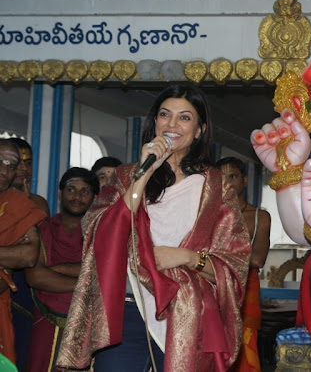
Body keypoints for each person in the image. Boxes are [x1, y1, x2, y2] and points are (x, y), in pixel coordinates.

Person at [57, 85, 251, 372]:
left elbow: (234, 266)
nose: (172, 124)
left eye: (185, 118)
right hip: (128, 310)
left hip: (186, 314)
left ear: (199, 130)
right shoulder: (126, 176)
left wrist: (187, 257)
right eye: (165, 114)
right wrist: (144, 173)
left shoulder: (216, 188)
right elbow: (100, 233)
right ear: (155, 122)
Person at [25, 167, 99, 372]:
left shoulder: (101, 233)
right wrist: (86, 282)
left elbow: (101, 272)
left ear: (95, 197)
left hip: (88, 321)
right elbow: (35, 277)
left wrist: (58, 269)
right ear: (60, 193)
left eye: (85, 191)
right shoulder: (43, 229)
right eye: (71, 189)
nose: (77, 196)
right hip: (45, 319)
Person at [217, 157, 271, 372]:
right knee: (214, 347)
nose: (228, 183)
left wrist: (216, 256)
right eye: (222, 178)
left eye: (233, 176)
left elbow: (258, 259)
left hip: (246, 289)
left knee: (245, 352)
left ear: (245, 180)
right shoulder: (209, 215)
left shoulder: (259, 216)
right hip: (215, 288)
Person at [0, 139, 46, 365]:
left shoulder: (20, 204)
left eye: (11, 166)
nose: (5, 171)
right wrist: (9, 253)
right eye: (0, 162)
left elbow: (28, 256)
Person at [8, 138, 50, 217]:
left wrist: (27, 203)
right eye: (17, 162)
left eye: (28, 163)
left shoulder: (39, 203)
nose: (24, 168)